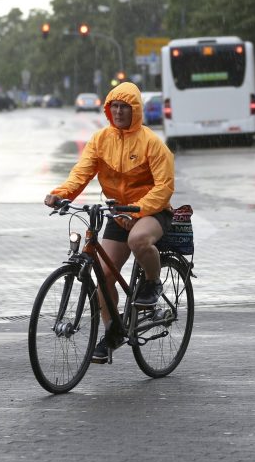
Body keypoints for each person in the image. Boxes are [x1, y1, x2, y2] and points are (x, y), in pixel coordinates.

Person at [44, 81, 175, 363]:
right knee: (103, 275)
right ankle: (113, 331)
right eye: (113, 106)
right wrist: (60, 194)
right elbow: (81, 173)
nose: (117, 111)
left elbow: (164, 186)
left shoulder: (152, 143)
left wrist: (140, 209)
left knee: (138, 240)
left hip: (152, 211)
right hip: (119, 212)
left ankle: (152, 283)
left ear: (135, 110)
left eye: (123, 107)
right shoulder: (101, 139)